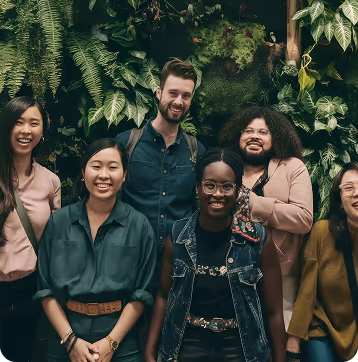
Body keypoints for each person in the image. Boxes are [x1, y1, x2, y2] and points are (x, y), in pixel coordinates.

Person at [145, 148, 286, 362]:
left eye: (227, 186)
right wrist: (149, 352)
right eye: (210, 185)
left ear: (238, 191)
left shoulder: (257, 239)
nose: (217, 194)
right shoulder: (177, 237)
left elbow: (274, 310)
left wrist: (280, 358)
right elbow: (163, 296)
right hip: (187, 344)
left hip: (241, 347)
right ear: (198, 188)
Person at [35, 137, 157, 362]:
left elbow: (142, 292)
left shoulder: (139, 226)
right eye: (96, 166)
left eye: (113, 167)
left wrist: (111, 342)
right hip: (64, 338)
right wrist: (71, 341)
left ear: (124, 175)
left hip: (121, 342)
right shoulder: (59, 222)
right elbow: (45, 289)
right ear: (83, 172)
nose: (104, 175)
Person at [219, 106, 313, 330]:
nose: (254, 136)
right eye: (248, 130)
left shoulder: (292, 167)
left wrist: (253, 203)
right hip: (228, 275)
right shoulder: (225, 168)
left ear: (276, 137)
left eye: (263, 132)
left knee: (278, 339)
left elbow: (304, 218)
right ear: (237, 136)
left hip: (281, 276)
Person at [116, 60, 206, 262]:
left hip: (178, 261)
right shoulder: (126, 144)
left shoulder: (196, 151)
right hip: (129, 257)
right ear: (159, 92)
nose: (179, 101)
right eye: (172, 93)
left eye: (186, 96)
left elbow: (199, 208)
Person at [0, 96, 61, 362]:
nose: (26, 130)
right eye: (18, 122)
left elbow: (55, 242)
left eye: (34, 123)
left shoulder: (50, 181)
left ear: (42, 132)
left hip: (28, 292)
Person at [286, 162, 358, 362]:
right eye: (349, 188)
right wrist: (294, 339)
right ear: (340, 200)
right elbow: (307, 289)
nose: (356, 193)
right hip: (323, 328)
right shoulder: (322, 232)